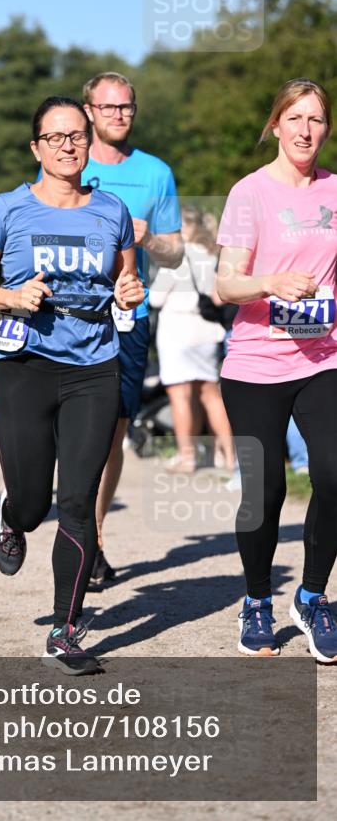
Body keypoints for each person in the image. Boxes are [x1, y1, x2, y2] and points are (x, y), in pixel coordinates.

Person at [0, 96, 144, 674]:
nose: (68, 145)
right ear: (36, 146)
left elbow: (127, 278)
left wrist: (131, 292)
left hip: (93, 365)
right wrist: (11, 296)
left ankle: (66, 628)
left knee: (78, 501)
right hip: (23, 364)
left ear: (89, 143)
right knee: (36, 500)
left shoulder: (111, 209)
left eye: (77, 136)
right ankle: (13, 518)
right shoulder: (8, 209)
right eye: (55, 136)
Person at [216, 79, 336, 663]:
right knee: (263, 492)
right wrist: (270, 282)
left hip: (324, 359)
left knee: (336, 472)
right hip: (256, 362)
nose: (306, 130)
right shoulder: (250, 193)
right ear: (276, 124)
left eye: (316, 120)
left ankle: (312, 598)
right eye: (295, 118)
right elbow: (224, 283)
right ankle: (257, 601)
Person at [80, 72, 183, 587]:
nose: (118, 115)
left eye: (127, 108)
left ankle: (92, 539)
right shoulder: (68, 164)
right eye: (108, 107)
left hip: (128, 319)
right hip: (71, 314)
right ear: (89, 110)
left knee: (114, 431)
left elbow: (177, 249)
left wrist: (149, 239)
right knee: (73, 432)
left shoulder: (155, 173)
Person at [149, 206, 235, 472]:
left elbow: (155, 298)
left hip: (177, 331)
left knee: (180, 395)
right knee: (210, 394)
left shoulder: (174, 258)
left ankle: (188, 456)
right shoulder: (212, 255)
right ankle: (229, 456)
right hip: (207, 330)